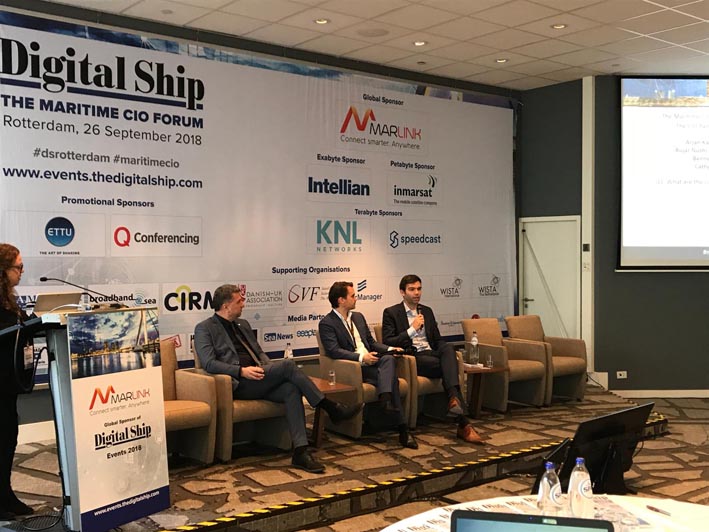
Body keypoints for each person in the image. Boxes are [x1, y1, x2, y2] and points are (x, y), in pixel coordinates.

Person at [194, 284, 360, 473]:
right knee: (288, 365)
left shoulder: (242, 324)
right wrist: (241, 371)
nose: (243, 304)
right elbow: (209, 363)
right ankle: (330, 407)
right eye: (239, 301)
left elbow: (259, 352)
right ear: (226, 306)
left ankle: (300, 452)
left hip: (259, 376)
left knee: (291, 389)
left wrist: (268, 369)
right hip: (238, 383)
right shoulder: (205, 328)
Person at [382, 274, 484, 444]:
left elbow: (437, 340)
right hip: (413, 357)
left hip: (431, 353)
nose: (417, 293)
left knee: (448, 348)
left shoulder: (427, 311)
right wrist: (412, 330)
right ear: (402, 292)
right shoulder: (391, 313)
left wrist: (445, 352)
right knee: (448, 367)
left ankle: (455, 403)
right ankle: (462, 421)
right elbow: (388, 342)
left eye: (419, 289)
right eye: (412, 289)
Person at [318, 282, 418, 449]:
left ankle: (385, 400)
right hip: (353, 369)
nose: (356, 298)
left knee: (389, 359)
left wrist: (391, 349)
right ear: (341, 300)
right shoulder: (327, 323)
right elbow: (334, 351)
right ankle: (402, 429)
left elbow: (371, 343)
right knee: (391, 380)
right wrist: (361, 358)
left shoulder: (358, 317)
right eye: (352, 296)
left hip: (372, 363)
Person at [0, 244, 34, 520]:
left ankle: (6, 494)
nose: (22, 272)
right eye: (18, 267)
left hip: (8, 382)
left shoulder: (9, 299)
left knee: (8, 438)